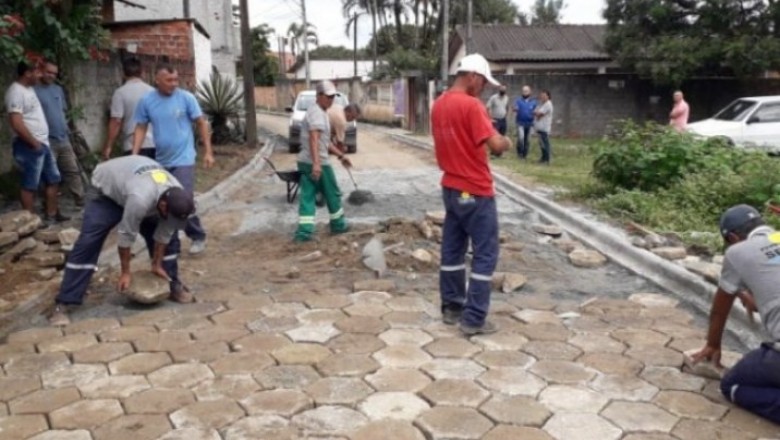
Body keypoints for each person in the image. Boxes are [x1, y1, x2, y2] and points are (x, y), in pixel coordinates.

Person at [49, 155, 196, 326]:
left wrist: (157, 264)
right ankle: (65, 301)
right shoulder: (140, 199)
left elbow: (164, 234)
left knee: (171, 241)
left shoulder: (178, 196)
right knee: (88, 242)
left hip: (137, 188)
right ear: (163, 206)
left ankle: (171, 285)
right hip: (106, 192)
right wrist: (125, 272)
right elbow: (126, 235)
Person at [431, 53, 510, 336]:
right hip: (475, 189)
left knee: (453, 249)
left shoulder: (438, 104)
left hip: (451, 187)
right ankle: (474, 318)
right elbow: (495, 145)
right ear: (472, 77)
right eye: (483, 82)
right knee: (485, 254)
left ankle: (452, 307)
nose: (485, 88)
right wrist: (506, 141)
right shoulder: (472, 106)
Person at [692, 204, 780, 424]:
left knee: (733, 385)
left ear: (732, 237)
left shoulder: (736, 252)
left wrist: (713, 344)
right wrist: (751, 299)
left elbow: (719, 310)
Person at [132, 65, 214, 255]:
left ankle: (196, 236)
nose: (174, 84)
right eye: (169, 80)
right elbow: (141, 127)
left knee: (183, 199)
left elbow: (201, 122)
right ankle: (172, 241)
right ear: (157, 81)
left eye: (176, 80)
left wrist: (208, 152)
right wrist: (134, 155)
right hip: (161, 162)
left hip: (184, 159)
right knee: (165, 202)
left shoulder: (186, 98)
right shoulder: (147, 101)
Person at [5, 61, 68, 224]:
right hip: (30, 145)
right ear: (27, 73)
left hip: (43, 143)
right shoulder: (16, 92)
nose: (41, 75)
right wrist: (34, 143)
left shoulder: (29, 89)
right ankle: (30, 221)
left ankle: (52, 215)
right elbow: (16, 122)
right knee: (30, 184)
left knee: (53, 180)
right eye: (38, 72)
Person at [294, 80, 352, 242]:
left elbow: (325, 143)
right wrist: (317, 164)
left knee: (308, 196)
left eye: (333, 97)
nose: (331, 100)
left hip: (306, 161)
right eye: (328, 96)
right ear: (318, 96)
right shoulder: (318, 113)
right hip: (317, 162)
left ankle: (304, 233)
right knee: (332, 193)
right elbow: (314, 138)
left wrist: (341, 155)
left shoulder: (320, 111)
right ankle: (338, 225)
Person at [34, 60, 85, 207]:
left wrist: (69, 131)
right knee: (49, 175)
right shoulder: (33, 91)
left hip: (63, 138)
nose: (51, 76)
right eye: (49, 72)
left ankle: (80, 198)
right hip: (46, 140)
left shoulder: (57, 89)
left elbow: (62, 112)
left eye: (54, 74)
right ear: (41, 70)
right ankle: (49, 205)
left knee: (72, 170)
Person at [102, 57, 155, 160]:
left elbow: (116, 121)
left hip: (131, 144)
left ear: (123, 73)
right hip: (153, 144)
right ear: (142, 72)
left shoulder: (120, 93)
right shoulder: (153, 92)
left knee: (135, 175)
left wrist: (108, 146)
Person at [512, 85, 537, 159]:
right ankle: (519, 153)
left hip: (530, 123)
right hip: (520, 123)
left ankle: (525, 155)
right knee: (521, 138)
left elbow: (536, 111)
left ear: (530, 92)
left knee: (528, 140)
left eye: (526, 91)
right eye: (523, 91)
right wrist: (515, 109)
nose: (525, 93)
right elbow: (515, 108)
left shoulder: (534, 102)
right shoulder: (518, 101)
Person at [534, 90, 554, 164]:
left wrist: (536, 113)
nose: (542, 97)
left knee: (545, 144)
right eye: (541, 95)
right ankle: (543, 158)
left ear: (548, 96)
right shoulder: (542, 104)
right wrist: (536, 113)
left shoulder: (548, 104)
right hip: (540, 127)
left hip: (544, 127)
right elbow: (535, 111)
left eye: (544, 95)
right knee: (541, 144)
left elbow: (539, 114)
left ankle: (547, 159)